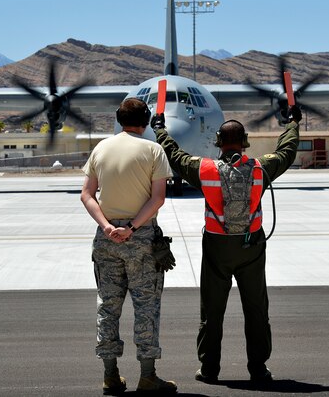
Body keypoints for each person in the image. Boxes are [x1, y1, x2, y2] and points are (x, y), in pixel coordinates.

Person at [151, 105, 302, 384]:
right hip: (251, 247)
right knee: (256, 309)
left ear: (218, 142)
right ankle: (258, 369)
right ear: (245, 143)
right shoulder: (261, 169)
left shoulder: (205, 170)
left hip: (217, 248)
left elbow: (174, 155)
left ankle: (209, 369)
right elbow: (287, 152)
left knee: (212, 310)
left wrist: (160, 128)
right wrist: (292, 124)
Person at [81, 98, 177, 395]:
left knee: (107, 307)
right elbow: (158, 198)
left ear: (118, 119)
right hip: (142, 238)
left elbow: (87, 195)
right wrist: (132, 228)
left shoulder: (101, 148)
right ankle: (147, 376)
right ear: (146, 120)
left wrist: (108, 227)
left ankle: (110, 376)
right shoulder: (153, 150)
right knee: (146, 307)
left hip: (106, 240)